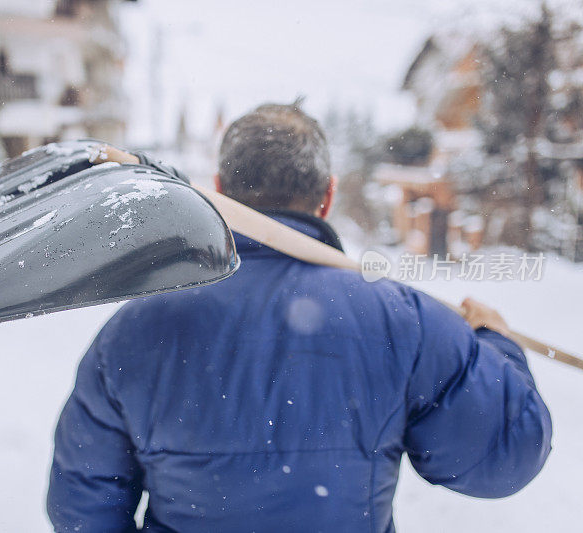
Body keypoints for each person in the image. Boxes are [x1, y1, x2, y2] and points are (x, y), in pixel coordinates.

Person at [47, 102, 552, 532]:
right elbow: (503, 456)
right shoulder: (404, 319)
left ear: (221, 188)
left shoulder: (137, 327)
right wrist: (495, 343)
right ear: (327, 196)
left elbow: (82, 507)